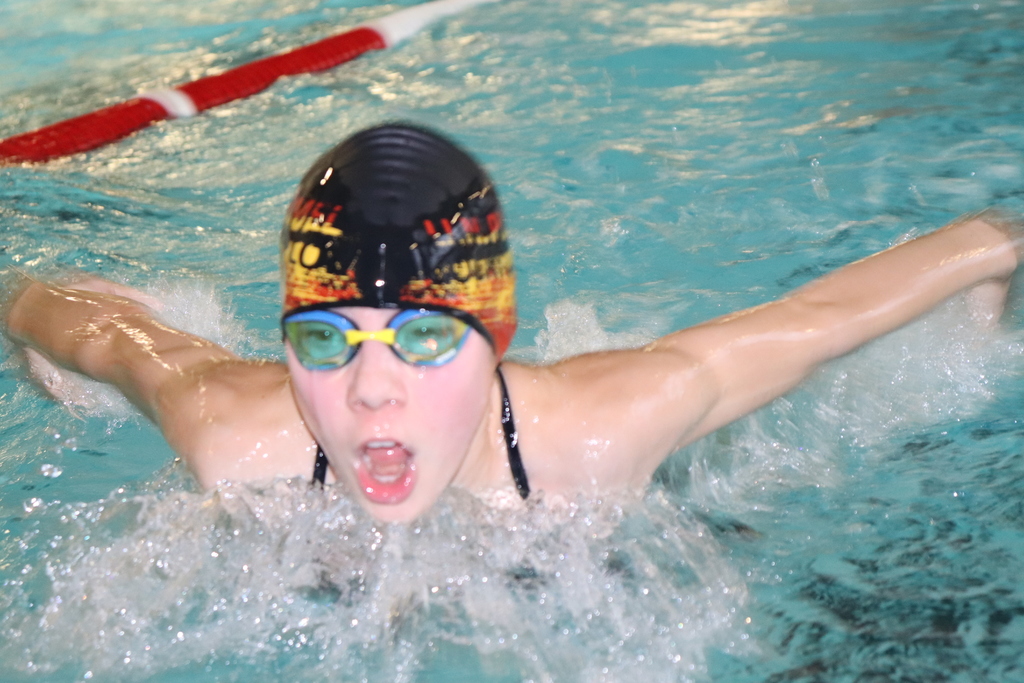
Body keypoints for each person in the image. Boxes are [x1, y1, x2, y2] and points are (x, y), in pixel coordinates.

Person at [3, 123, 1021, 523]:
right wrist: (31, 330)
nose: (368, 391)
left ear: (496, 337)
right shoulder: (236, 432)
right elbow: (78, 321)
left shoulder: (604, 423)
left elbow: (816, 320)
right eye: (327, 338)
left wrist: (988, 261)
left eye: (425, 338)